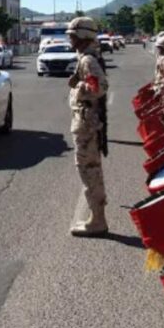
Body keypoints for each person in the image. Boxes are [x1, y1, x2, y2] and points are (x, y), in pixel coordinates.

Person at [66, 17, 110, 237]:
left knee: (89, 170)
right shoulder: (86, 57)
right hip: (87, 121)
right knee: (91, 169)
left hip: (87, 123)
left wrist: (79, 87)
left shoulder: (87, 61)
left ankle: (97, 220)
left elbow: (99, 86)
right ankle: (97, 217)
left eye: (72, 34)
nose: (69, 38)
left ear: (83, 36)